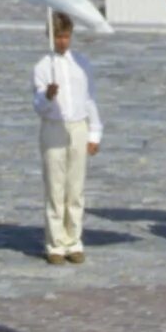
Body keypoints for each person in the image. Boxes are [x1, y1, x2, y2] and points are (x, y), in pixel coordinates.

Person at [33, 14, 103, 264]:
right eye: (58, 37)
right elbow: (38, 106)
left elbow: (90, 97)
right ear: (50, 37)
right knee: (55, 186)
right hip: (53, 127)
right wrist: (48, 97)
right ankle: (55, 243)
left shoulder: (82, 64)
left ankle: (74, 239)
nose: (62, 42)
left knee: (75, 187)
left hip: (78, 126)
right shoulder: (42, 67)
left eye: (66, 36)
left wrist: (95, 132)